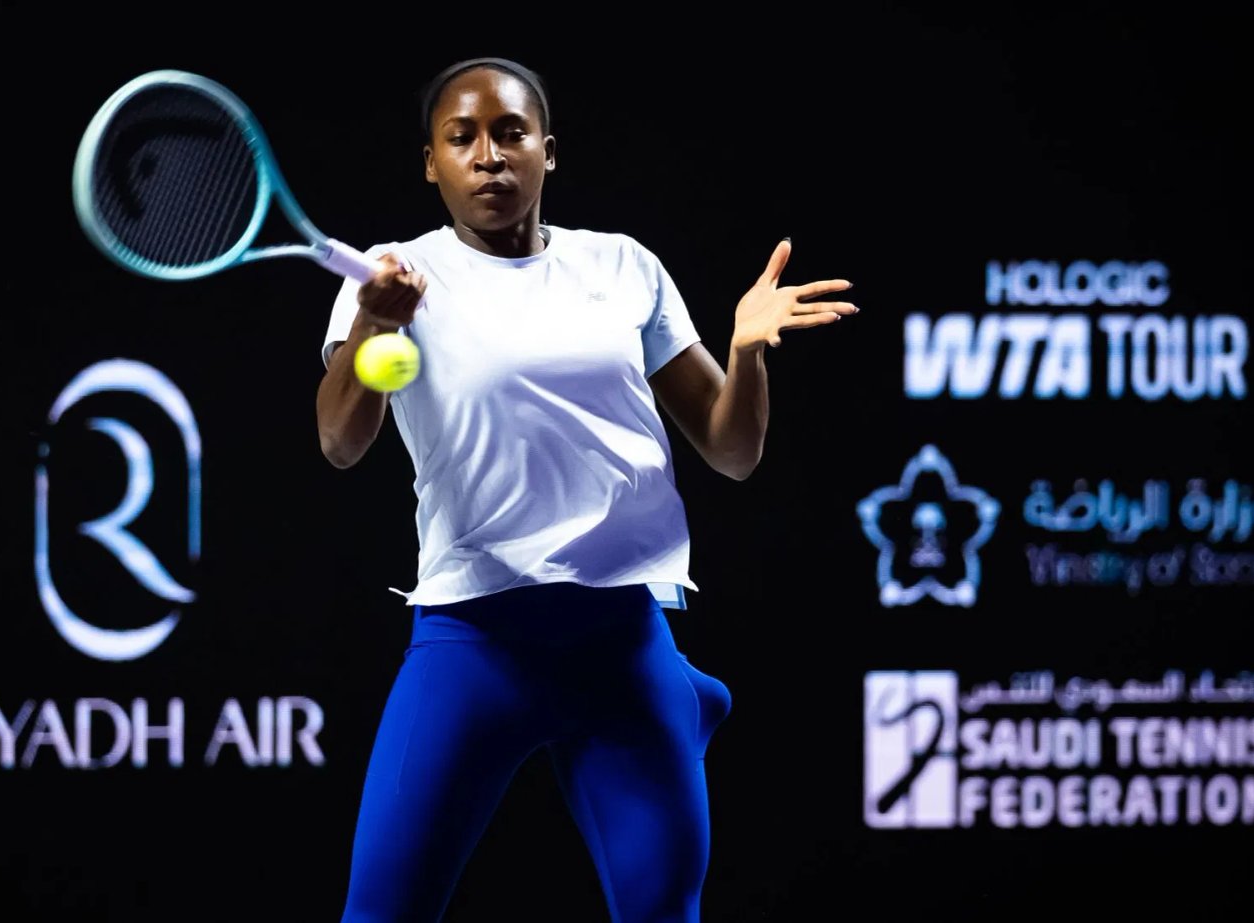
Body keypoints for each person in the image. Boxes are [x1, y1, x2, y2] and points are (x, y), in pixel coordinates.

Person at [316, 57, 857, 923]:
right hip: (473, 645)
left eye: (511, 133)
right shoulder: (391, 278)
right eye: (462, 139)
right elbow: (340, 442)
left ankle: (673, 695)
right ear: (431, 163)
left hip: (619, 643)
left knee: (663, 913)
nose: (489, 155)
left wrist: (747, 351)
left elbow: (732, 449)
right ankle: (691, 697)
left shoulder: (623, 267)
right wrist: (377, 323)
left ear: (548, 152)